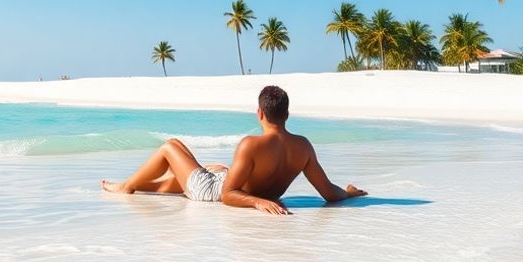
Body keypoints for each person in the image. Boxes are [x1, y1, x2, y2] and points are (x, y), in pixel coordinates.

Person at [101, 85, 367, 215]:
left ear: (259, 113)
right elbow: (329, 193)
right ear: (287, 114)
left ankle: (127, 187)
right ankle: (137, 185)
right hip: (223, 182)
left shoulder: (251, 144)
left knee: (170, 146)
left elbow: (228, 194)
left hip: (213, 192)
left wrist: (258, 202)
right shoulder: (303, 147)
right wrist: (348, 193)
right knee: (203, 168)